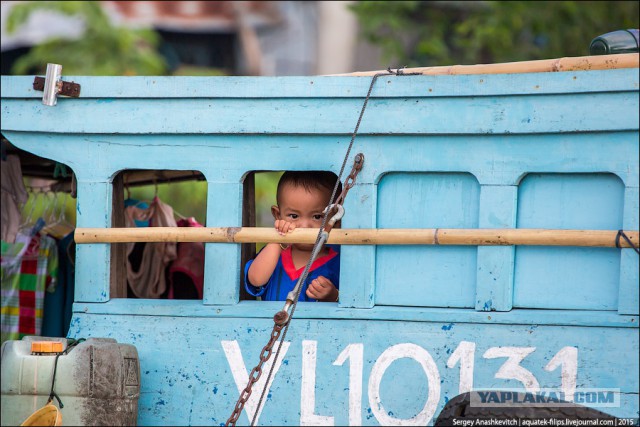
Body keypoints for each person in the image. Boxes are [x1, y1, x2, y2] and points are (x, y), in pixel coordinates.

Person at [244, 171, 342, 302]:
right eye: (294, 216)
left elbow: (352, 301)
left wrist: (333, 296)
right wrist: (278, 240)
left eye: (317, 217)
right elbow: (256, 280)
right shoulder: (274, 253)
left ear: (336, 220)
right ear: (278, 215)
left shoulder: (339, 262)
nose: (304, 225)